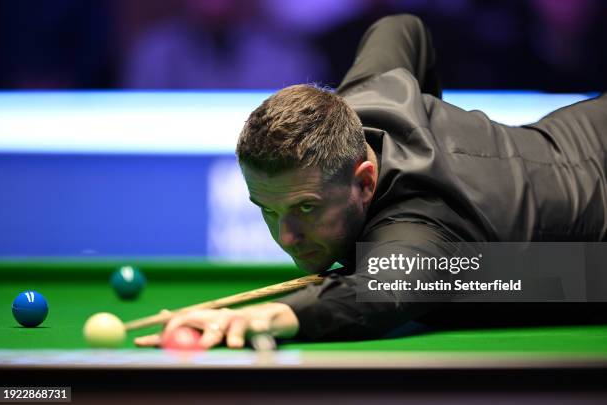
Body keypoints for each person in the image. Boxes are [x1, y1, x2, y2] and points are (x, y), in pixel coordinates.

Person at [135, 14, 607, 349]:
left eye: (304, 208)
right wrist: (432, 121)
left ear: (364, 181)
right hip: (588, 127)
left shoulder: (418, 226)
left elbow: (380, 291)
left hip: (594, 223)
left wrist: (276, 316)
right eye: (267, 210)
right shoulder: (365, 98)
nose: (286, 237)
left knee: (547, 283)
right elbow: (401, 26)